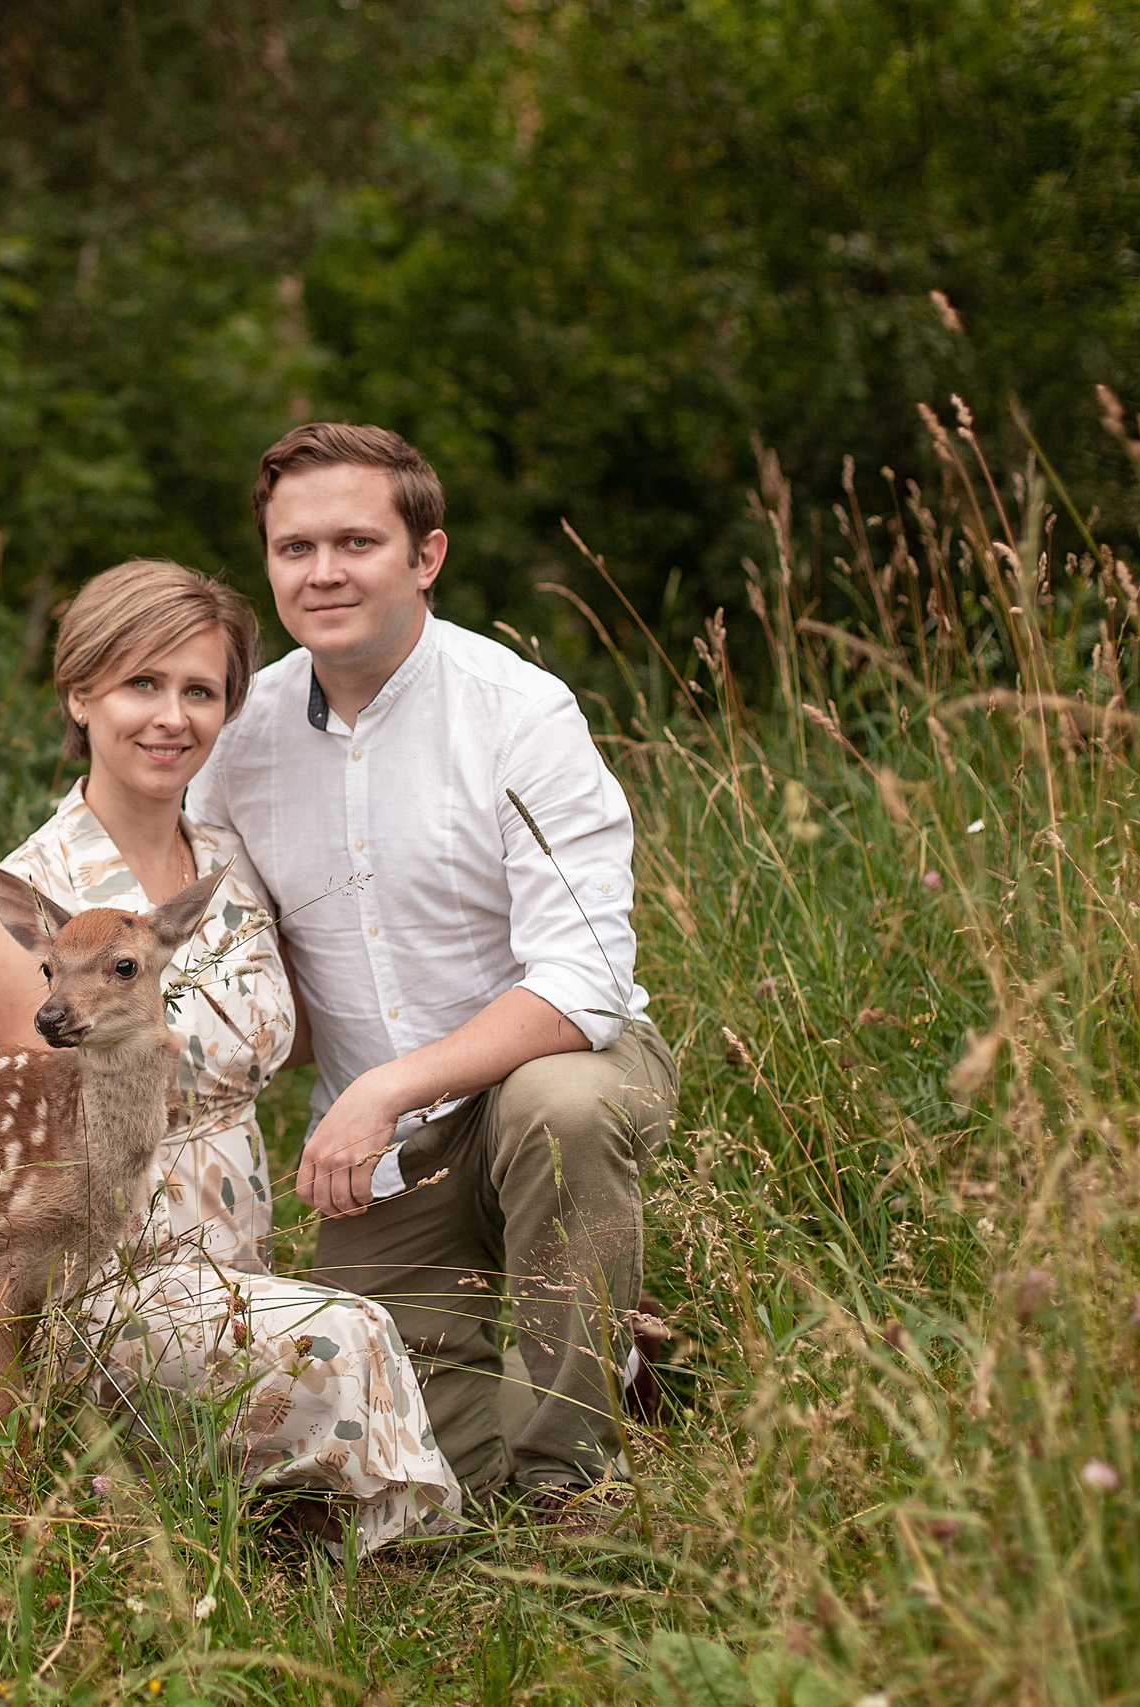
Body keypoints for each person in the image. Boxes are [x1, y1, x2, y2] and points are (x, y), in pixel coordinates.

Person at [187, 423, 678, 1509]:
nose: (322, 573)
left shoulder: (520, 716)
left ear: (427, 557)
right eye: (292, 548)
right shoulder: (241, 738)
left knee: (563, 1111)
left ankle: (569, 1486)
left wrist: (387, 1085)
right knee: (423, 1466)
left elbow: (580, 986)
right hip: (391, 1150)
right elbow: (218, 946)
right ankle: (626, 1357)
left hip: (542, 1079)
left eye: (356, 541)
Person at [0, 557, 462, 1550]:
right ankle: (396, 1574)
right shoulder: (30, 903)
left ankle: (288, 1513)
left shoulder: (229, 874)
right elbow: (44, 1142)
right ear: (80, 694)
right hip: (106, 1284)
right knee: (355, 1337)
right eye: (140, 685)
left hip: (241, 1261)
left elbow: (307, 1029)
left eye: (200, 691)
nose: (171, 718)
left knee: (438, 1329)